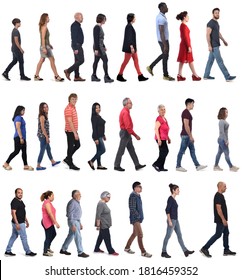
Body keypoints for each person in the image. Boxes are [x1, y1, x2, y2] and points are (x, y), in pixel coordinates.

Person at [200, 182, 236, 258]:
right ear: (220, 187)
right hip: (221, 220)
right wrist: (223, 219)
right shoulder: (218, 196)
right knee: (218, 234)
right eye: (224, 186)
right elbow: (218, 209)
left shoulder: (221, 196)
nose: (226, 188)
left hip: (223, 219)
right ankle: (205, 248)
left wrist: (225, 219)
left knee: (226, 233)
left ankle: (226, 250)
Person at [161, 183, 194, 258]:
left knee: (179, 235)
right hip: (172, 220)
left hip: (176, 220)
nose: (179, 191)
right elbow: (167, 210)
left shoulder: (174, 199)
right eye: (178, 190)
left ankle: (185, 251)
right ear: (173, 190)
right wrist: (169, 220)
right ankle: (163, 252)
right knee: (168, 236)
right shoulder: (170, 199)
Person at [203, 8, 236, 82]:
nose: (217, 14)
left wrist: (224, 40)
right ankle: (227, 77)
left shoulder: (216, 23)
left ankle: (206, 75)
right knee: (220, 61)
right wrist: (209, 46)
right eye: (216, 13)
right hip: (214, 46)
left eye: (218, 13)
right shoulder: (210, 23)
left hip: (215, 45)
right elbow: (207, 34)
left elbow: (218, 33)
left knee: (210, 61)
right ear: (213, 14)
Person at [114, 97, 146, 171]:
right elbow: (128, 127)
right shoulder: (125, 112)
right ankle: (116, 166)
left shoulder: (126, 111)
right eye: (130, 103)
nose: (132, 104)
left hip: (127, 133)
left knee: (131, 149)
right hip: (125, 133)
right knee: (121, 150)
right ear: (126, 104)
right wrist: (135, 135)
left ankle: (137, 165)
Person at [176, 98, 207, 172]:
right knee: (181, 151)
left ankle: (197, 166)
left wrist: (191, 136)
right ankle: (178, 166)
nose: (193, 105)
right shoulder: (185, 112)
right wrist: (190, 136)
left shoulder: (187, 112)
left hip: (187, 135)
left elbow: (188, 126)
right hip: (185, 136)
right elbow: (186, 126)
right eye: (193, 104)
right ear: (189, 104)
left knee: (192, 150)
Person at [146, 3, 175, 81]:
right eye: (166, 6)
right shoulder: (161, 18)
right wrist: (165, 44)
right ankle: (165, 75)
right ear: (162, 8)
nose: (167, 8)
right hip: (163, 41)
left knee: (165, 56)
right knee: (165, 56)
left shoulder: (161, 16)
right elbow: (161, 31)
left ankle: (152, 67)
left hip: (163, 40)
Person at [5, 188, 37, 257]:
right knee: (24, 237)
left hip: (20, 222)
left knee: (14, 236)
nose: (20, 194)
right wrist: (17, 223)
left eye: (21, 193)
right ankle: (28, 252)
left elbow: (23, 212)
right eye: (19, 193)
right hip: (18, 223)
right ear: (15, 193)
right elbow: (13, 213)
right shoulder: (14, 202)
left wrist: (26, 221)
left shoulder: (21, 201)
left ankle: (8, 250)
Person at [116, 13, 148, 82]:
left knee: (136, 60)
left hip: (133, 48)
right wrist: (131, 47)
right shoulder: (129, 27)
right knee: (125, 62)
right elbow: (129, 38)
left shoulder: (129, 26)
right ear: (132, 19)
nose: (135, 19)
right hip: (130, 48)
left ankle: (140, 75)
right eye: (134, 17)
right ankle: (119, 75)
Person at [124, 182, 152, 258]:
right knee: (140, 234)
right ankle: (143, 252)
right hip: (135, 218)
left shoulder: (138, 195)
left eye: (141, 186)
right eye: (139, 186)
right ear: (135, 188)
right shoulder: (133, 196)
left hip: (138, 218)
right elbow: (132, 208)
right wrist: (138, 216)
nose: (141, 188)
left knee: (134, 234)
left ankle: (127, 248)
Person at [34, 13, 64, 82]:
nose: (49, 18)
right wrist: (44, 47)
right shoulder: (44, 27)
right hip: (44, 46)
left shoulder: (44, 26)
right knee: (52, 60)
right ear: (45, 18)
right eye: (47, 17)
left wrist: (49, 44)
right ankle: (56, 76)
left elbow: (46, 38)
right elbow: (43, 38)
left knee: (42, 60)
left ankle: (36, 75)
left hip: (46, 46)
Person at [3, 106, 34, 171]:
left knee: (24, 152)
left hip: (22, 137)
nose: (24, 112)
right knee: (16, 151)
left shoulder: (20, 118)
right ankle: (6, 163)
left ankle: (26, 166)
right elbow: (18, 127)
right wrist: (21, 138)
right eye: (23, 110)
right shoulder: (18, 118)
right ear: (19, 111)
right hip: (19, 137)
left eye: (24, 110)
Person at [60, 190, 89, 258]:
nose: (80, 196)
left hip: (76, 221)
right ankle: (80, 252)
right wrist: (73, 224)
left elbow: (76, 214)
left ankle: (63, 249)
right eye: (79, 194)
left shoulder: (77, 202)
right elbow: (70, 214)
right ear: (75, 195)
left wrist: (80, 223)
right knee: (78, 237)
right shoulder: (72, 202)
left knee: (71, 235)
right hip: (73, 221)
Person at [176, 11, 201, 81]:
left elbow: (185, 37)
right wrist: (189, 46)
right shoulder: (183, 26)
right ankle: (195, 75)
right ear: (184, 17)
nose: (188, 17)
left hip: (183, 45)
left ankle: (179, 75)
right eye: (187, 16)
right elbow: (185, 37)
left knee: (182, 60)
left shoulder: (182, 25)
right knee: (190, 60)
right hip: (185, 46)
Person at [36, 102, 60, 170]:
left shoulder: (45, 115)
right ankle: (38, 165)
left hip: (44, 135)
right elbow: (43, 128)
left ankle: (53, 162)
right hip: (42, 136)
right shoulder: (42, 116)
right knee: (42, 150)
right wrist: (47, 137)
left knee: (48, 149)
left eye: (47, 106)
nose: (46, 108)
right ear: (41, 108)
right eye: (44, 107)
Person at [214, 107, 239, 172]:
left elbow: (224, 132)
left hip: (222, 139)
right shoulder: (221, 121)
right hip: (222, 140)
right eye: (226, 112)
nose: (227, 113)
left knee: (219, 153)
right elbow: (222, 132)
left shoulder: (223, 121)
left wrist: (227, 140)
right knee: (227, 153)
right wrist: (226, 140)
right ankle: (231, 167)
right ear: (223, 113)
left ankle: (216, 166)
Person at [94, 191, 118, 255]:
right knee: (107, 237)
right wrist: (98, 225)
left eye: (110, 197)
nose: (109, 198)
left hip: (105, 223)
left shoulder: (104, 203)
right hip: (103, 224)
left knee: (101, 237)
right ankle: (111, 251)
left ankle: (96, 248)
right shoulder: (101, 203)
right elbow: (98, 215)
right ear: (104, 196)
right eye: (108, 197)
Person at [91, 14, 114, 83]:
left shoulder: (99, 27)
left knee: (96, 60)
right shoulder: (97, 27)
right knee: (105, 60)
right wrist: (96, 49)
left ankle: (93, 76)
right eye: (104, 19)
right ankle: (106, 77)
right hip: (98, 47)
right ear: (101, 19)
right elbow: (96, 39)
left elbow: (100, 39)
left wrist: (104, 46)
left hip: (100, 46)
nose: (105, 21)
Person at [64, 12, 85, 82]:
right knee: (81, 60)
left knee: (77, 61)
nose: (82, 18)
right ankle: (68, 71)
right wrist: (75, 48)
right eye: (81, 17)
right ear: (77, 17)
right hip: (77, 45)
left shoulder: (78, 25)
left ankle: (76, 76)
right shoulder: (75, 25)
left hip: (78, 45)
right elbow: (73, 37)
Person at [63, 93, 80, 171]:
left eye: (75, 99)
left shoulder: (73, 107)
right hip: (70, 131)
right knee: (70, 147)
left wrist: (75, 132)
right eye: (73, 99)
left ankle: (67, 158)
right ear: (69, 99)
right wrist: (75, 133)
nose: (74, 100)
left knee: (77, 145)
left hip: (73, 130)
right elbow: (70, 122)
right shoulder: (68, 109)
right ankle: (70, 164)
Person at [88, 103, 107, 170]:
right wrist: (96, 139)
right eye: (96, 108)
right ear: (94, 109)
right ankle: (91, 161)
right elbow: (94, 128)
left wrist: (103, 135)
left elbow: (100, 127)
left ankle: (99, 165)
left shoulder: (98, 116)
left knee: (99, 150)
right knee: (103, 150)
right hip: (97, 136)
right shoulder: (94, 117)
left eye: (99, 107)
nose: (98, 109)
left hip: (100, 135)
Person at [41, 191, 60, 256]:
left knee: (54, 234)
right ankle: (45, 251)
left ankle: (48, 247)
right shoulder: (47, 203)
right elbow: (50, 213)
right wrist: (56, 222)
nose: (53, 197)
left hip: (50, 222)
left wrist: (53, 222)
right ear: (49, 196)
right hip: (47, 222)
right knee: (48, 237)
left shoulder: (49, 203)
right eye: (52, 195)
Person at [152, 104, 170, 172]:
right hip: (160, 139)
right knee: (165, 151)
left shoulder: (164, 119)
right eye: (161, 110)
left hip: (164, 138)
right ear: (158, 111)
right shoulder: (159, 119)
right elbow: (156, 129)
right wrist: (159, 139)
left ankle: (161, 167)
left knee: (162, 152)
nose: (163, 111)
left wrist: (168, 138)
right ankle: (156, 164)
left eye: (164, 109)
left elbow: (165, 130)